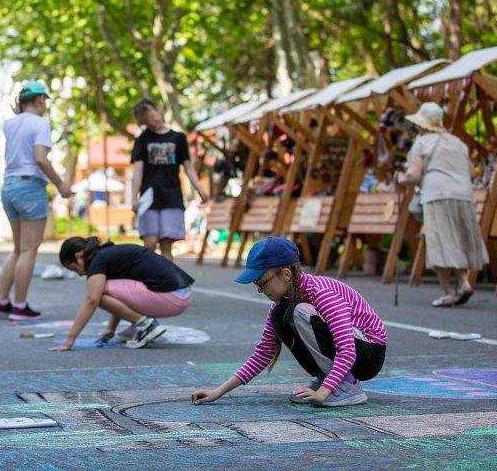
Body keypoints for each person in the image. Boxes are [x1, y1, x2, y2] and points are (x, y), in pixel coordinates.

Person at [191, 237, 387, 407]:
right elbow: (263, 354)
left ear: (286, 274)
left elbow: (347, 349)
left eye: (263, 282)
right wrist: (218, 392)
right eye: (256, 284)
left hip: (368, 353)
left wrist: (324, 391)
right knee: (281, 314)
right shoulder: (281, 304)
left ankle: (347, 384)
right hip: (351, 352)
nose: (260, 290)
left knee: (300, 312)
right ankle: (329, 377)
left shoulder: (322, 293)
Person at [0, 80, 72, 321]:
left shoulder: (9, 124)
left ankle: (1, 302)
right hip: (30, 186)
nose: (46, 104)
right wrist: (60, 184)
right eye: (45, 99)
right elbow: (41, 159)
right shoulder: (41, 123)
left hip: (9, 186)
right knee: (29, 251)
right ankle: (20, 305)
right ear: (38, 100)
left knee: (17, 249)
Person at [396, 102, 487, 307]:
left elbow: (413, 175)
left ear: (421, 124)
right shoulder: (458, 143)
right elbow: (471, 173)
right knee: (458, 242)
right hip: (464, 195)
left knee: (440, 242)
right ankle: (464, 282)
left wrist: (400, 178)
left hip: (437, 195)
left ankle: (447, 292)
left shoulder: (421, 142)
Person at [53, 237, 194, 351]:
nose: (80, 274)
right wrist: (111, 329)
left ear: (79, 256)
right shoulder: (108, 254)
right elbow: (120, 295)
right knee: (101, 290)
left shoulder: (98, 261)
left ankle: (146, 325)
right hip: (181, 294)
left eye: (75, 268)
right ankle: (140, 325)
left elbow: (92, 300)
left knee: (97, 293)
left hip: (171, 297)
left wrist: (70, 339)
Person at [131, 99, 208, 260]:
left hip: (171, 196)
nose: (153, 123)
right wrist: (133, 197)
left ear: (158, 111)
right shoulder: (142, 140)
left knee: (166, 244)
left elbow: (188, 166)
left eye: (153, 117)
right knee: (150, 244)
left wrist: (199, 188)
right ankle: (149, 283)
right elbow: (137, 170)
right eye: (147, 122)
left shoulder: (178, 138)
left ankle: (168, 284)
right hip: (149, 198)